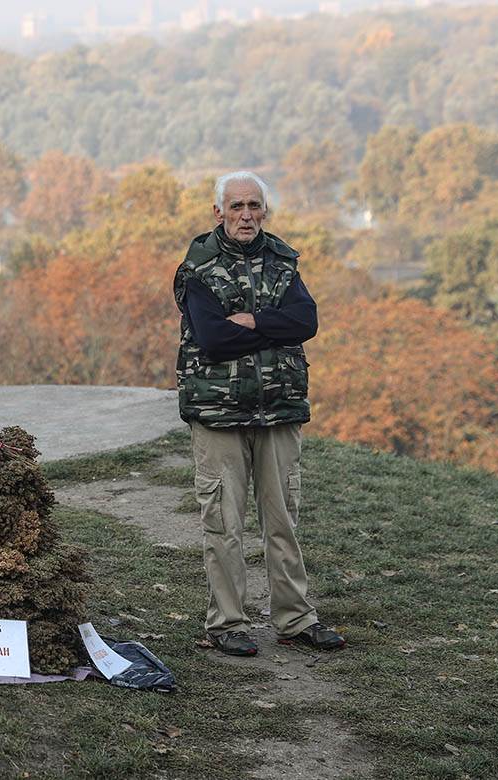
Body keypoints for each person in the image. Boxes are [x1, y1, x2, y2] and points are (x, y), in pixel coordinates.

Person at [173, 171, 345, 657]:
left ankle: (295, 618)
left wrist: (253, 321)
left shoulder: (284, 261)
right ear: (218, 212)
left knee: (282, 518)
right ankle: (227, 622)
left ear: (264, 211)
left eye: (254, 206)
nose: (246, 215)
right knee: (224, 523)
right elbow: (213, 338)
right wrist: (277, 328)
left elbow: (306, 321)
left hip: (279, 409)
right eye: (236, 207)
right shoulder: (198, 267)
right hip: (217, 411)